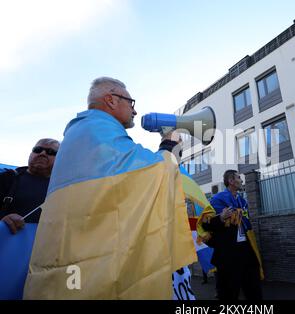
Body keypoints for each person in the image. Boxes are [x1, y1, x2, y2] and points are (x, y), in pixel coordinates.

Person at [24, 77, 196, 299]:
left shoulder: (81, 132)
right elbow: (151, 172)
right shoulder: (96, 130)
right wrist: (169, 145)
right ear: (111, 100)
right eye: (131, 102)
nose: (135, 111)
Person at [201, 170, 263, 300]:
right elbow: (205, 223)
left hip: (246, 250)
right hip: (228, 254)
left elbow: (245, 223)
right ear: (231, 181)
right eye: (239, 177)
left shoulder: (242, 201)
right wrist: (220, 218)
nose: (241, 180)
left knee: (254, 290)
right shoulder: (217, 199)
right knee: (228, 294)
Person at [0, 138, 60, 234]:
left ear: (60, 158)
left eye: (50, 152)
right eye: (37, 150)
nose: (42, 153)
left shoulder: (61, 187)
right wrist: (3, 221)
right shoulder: (7, 178)